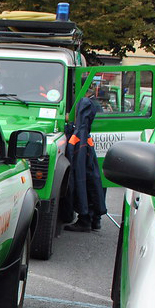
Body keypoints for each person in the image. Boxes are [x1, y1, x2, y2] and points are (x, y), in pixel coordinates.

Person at [65, 83, 106, 232]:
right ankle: (95, 218)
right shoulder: (94, 106)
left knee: (84, 182)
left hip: (82, 152)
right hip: (89, 152)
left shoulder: (80, 131)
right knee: (95, 182)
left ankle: (85, 219)